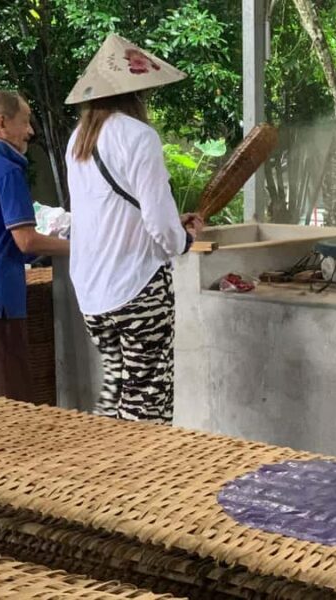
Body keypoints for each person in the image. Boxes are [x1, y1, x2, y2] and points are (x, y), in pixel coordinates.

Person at [64, 34, 203, 425]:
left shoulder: (78, 140)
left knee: (115, 395)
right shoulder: (139, 137)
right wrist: (183, 239)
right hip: (136, 288)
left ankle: (106, 475)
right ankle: (140, 481)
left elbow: (110, 215)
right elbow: (160, 227)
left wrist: (171, 225)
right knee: (147, 403)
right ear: (134, 92)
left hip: (92, 291)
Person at [0, 90, 69, 402]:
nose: (30, 131)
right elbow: (26, 240)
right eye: (25, 122)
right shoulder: (8, 170)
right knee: (6, 405)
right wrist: (80, 246)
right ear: (2, 123)